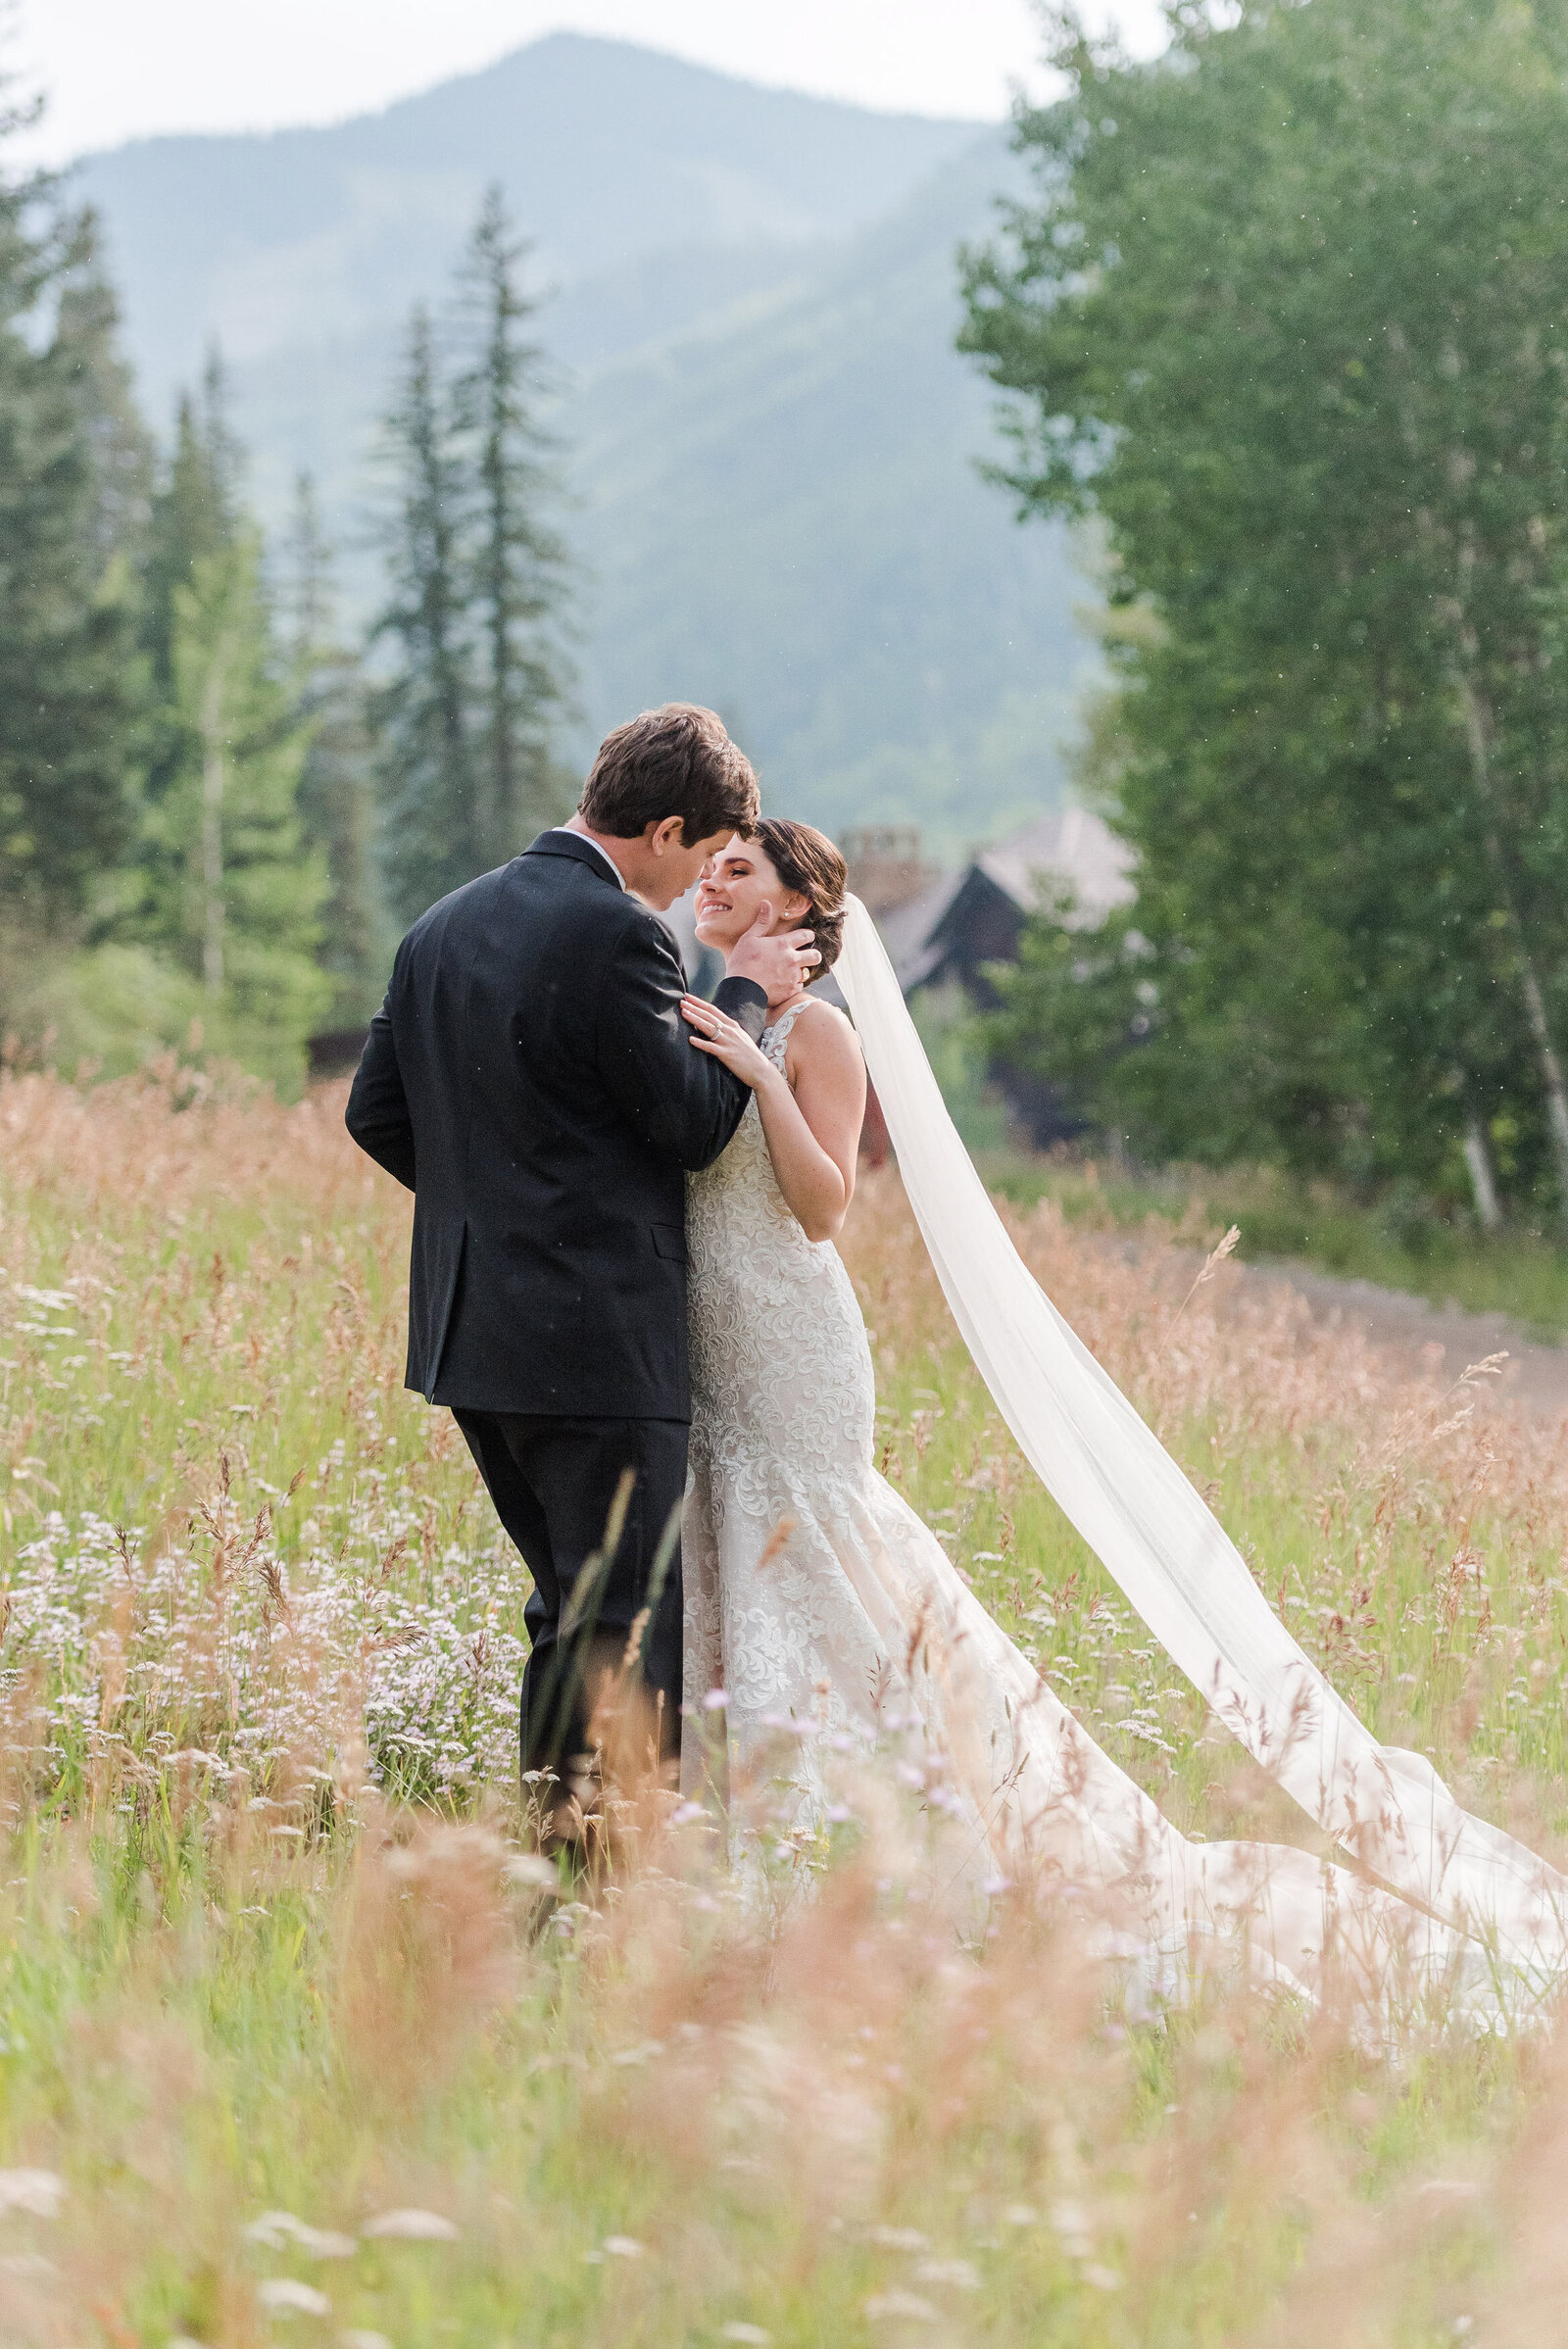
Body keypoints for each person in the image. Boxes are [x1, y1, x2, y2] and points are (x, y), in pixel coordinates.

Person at [677, 820, 1568, 2012]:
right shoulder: (703, 1002)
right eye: (709, 867)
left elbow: (828, 1202)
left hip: (794, 1335)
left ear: (795, 906)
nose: (708, 882)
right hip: (715, 1336)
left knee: (835, 1559)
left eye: (737, 870)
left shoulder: (814, 1031)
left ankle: (896, 1829)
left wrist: (752, 1074)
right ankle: (746, 1831)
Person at [344, 705, 818, 1841]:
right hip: (595, 1341)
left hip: (474, 1338)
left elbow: (374, 1113)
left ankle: (554, 1858)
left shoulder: (438, 925)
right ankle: (602, 1879)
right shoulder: (616, 934)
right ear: (662, 827)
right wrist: (749, 991)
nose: (694, 884)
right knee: (624, 1623)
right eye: (701, 857)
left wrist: (497, 1213)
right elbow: (693, 1124)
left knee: (569, 1612)